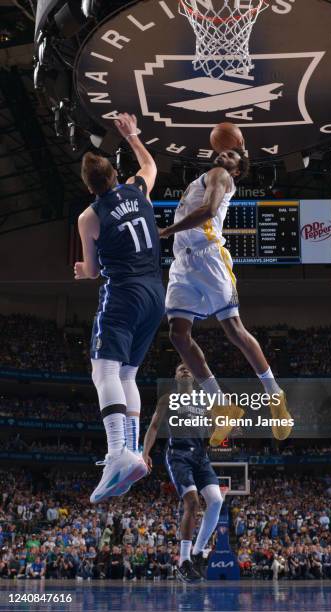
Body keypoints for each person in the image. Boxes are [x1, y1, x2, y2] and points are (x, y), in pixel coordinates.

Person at [159, 148, 292, 445]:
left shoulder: (221, 176)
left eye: (231, 154)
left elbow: (207, 211)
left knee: (233, 329)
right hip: (182, 263)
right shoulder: (206, 176)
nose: (223, 154)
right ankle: (221, 405)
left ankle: (275, 395)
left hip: (209, 258)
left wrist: (167, 229)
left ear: (237, 168)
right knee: (178, 335)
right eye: (222, 151)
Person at [76, 113, 165, 503]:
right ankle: (131, 453)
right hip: (154, 294)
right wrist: (132, 136)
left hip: (124, 293)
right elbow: (150, 164)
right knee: (127, 373)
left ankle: (116, 453)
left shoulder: (89, 217)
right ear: (115, 174)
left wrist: (83, 271)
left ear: (89, 186)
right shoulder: (137, 190)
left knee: (104, 370)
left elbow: (94, 271)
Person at [143, 363, 223, 582]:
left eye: (189, 367)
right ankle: (183, 561)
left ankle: (197, 553)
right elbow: (153, 427)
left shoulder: (203, 401)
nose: (186, 369)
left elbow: (215, 428)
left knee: (216, 501)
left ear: (195, 377)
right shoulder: (168, 399)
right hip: (178, 455)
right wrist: (145, 453)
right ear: (176, 376)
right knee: (193, 503)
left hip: (200, 455)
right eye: (180, 368)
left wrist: (227, 427)